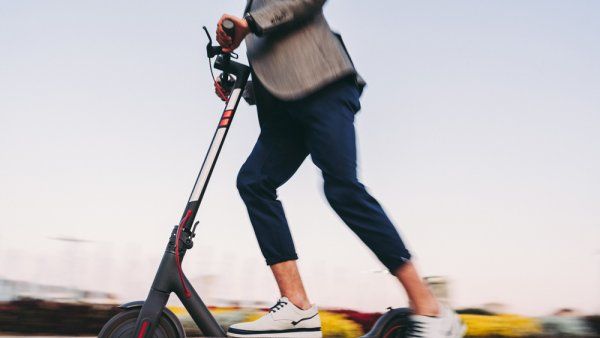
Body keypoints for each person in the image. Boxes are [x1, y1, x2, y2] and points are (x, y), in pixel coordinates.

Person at [215, 1, 465, 337]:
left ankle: (431, 309)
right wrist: (242, 88)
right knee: (254, 181)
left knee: (342, 189)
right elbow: (278, 67)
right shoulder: (252, 8)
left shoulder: (255, 12)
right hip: (284, 112)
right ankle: (296, 306)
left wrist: (249, 23)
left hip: (325, 87)